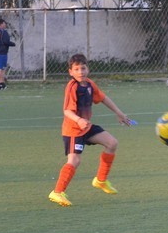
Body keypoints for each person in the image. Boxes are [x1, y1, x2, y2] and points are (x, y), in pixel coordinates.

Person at [48, 54, 134, 207]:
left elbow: (103, 98)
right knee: (75, 160)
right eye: (76, 69)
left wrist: (119, 113)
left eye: (83, 68)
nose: (80, 72)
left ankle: (101, 180)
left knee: (112, 143)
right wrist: (79, 120)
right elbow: (67, 111)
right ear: (70, 72)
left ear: (88, 69)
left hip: (86, 127)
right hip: (73, 130)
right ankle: (57, 192)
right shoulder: (72, 87)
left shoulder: (89, 84)